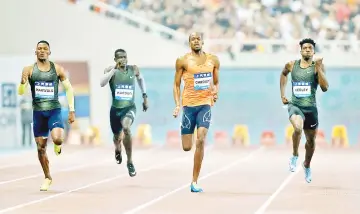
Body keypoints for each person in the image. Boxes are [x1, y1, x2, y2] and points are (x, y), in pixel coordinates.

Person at [17, 40, 76, 191]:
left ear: (49, 52)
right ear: (35, 52)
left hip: (53, 111)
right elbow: (21, 92)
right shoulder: (29, 70)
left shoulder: (57, 69)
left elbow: (69, 89)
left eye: (45, 49)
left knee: (57, 138)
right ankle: (47, 177)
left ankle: (57, 145)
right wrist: (22, 82)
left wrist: (71, 110)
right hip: (38, 113)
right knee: (41, 148)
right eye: (39, 49)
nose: (42, 51)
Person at [173, 32, 220, 193]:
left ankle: (194, 181)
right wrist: (177, 105)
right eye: (193, 39)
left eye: (198, 39)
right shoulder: (183, 61)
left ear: (203, 41)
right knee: (187, 147)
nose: (196, 41)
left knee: (200, 140)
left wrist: (215, 92)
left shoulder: (213, 60)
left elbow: (216, 81)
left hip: (205, 104)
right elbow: (176, 84)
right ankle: (188, 134)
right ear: (189, 43)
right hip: (188, 106)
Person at [280, 38, 329, 183]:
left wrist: (319, 68)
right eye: (305, 47)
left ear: (313, 51)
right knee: (297, 127)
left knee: (311, 142)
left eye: (310, 48)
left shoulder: (317, 66)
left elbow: (325, 88)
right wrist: (283, 94)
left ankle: (306, 164)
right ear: (300, 50)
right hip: (295, 105)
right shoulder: (291, 65)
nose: (307, 50)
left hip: (311, 109)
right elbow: (283, 74)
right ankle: (294, 155)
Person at [100, 49, 148, 177]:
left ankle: (130, 161)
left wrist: (144, 96)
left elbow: (141, 80)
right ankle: (117, 148)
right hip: (115, 110)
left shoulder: (133, 69)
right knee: (117, 137)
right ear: (115, 59)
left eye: (125, 57)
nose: (123, 59)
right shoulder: (110, 70)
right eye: (120, 57)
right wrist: (113, 70)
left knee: (126, 128)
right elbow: (102, 83)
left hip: (129, 108)